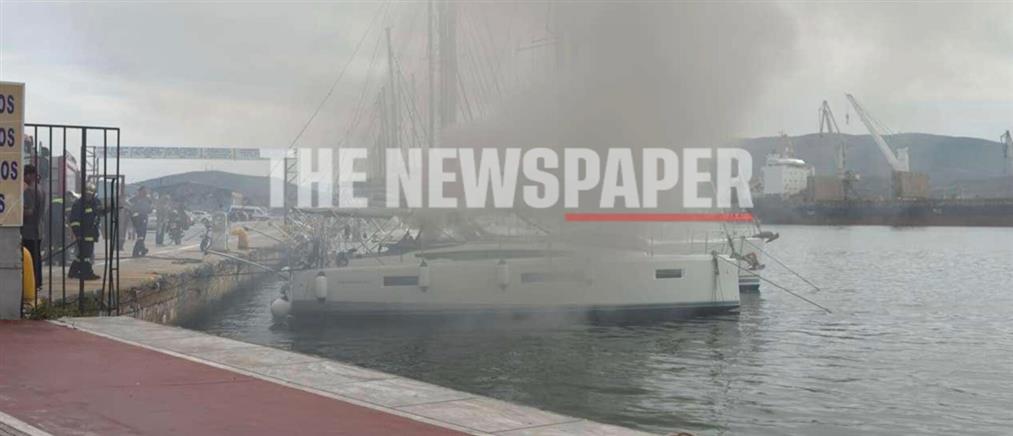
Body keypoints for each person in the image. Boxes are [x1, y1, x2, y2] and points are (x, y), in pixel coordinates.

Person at [69, 184, 102, 280]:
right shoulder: (78, 204)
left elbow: (98, 214)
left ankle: (73, 271)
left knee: (83, 254)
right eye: (86, 194)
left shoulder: (95, 203)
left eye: (90, 194)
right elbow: (74, 220)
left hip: (92, 232)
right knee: (86, 254)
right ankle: (87, 273)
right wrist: (78, 233)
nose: (88, 196)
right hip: (82, 233)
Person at [21, 164, 45, 291]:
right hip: (38, 229)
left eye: (24, 175)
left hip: (29, 231)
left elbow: (29, 211)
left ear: (30, 175)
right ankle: (38, 282)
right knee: (37, 258)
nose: (23, 178)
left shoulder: (29, 191)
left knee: (29, 259)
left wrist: (17, 212)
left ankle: (32, 284)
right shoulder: (41, 189)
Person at [130, 187, 153, 257]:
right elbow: (129, 205)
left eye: (145, 191)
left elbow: (150, 208)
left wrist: (150, 209)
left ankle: (143, 249)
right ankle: (135, 252)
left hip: (144, 217)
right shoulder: (134, 198)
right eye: (142, 191)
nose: (144, 193)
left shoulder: (148, 199)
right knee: (141, 235)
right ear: (139, 191)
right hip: (137, 217)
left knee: (142, 235)